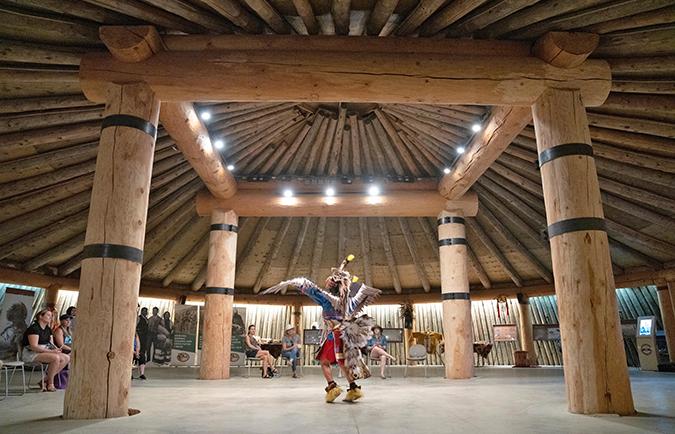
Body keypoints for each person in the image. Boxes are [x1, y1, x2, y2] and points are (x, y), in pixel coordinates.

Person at [262, 254, 381, 403]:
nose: (326, 281)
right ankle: (354, 388)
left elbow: (311, 290)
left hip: (335, 335)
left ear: (333, 285)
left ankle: (332, 387)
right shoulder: (347, 301)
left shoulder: (327, 300)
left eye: (329, 280)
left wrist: (299, 284)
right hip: (344, 333)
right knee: (342, 362)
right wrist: (343, 265)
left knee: (324, 361)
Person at [21, 309, 69, 392]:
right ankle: (50, 383)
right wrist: (51, 352)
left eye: (51, 316)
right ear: (40, 316)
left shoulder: (48, 329)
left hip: (45, 351)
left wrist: (56, 349)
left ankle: (44, 380)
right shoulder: (34, 328)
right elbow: (34, 347)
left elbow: (51, 344)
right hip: (31, 353)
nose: (51, 317)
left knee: (66, 358)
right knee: (55, 358)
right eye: (48, 315)